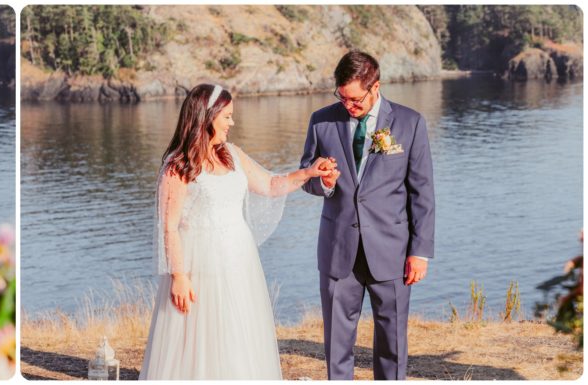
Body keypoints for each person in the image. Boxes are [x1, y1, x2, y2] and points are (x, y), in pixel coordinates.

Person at [140, 83, 333, 379]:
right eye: (227, 116)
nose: (232, 122)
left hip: (238, 259)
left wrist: (307, 173)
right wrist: (178, 276)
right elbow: (169, 227)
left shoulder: (230, 153)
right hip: (199, 263)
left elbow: (270, 185)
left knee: (237, 329)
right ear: (207, 116)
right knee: (201, 337)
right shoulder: (177, 166)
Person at [298, 50, 435, 380]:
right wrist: (323, 182)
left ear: (376, 86)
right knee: (337, 344)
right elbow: (306, 176)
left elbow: (422, 193)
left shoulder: (410, 122)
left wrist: (419, 252)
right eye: (342, 98)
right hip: (338, 249)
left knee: (393, 343)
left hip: (392, 250)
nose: (349, 105)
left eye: (355, 99)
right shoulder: (321, 121)